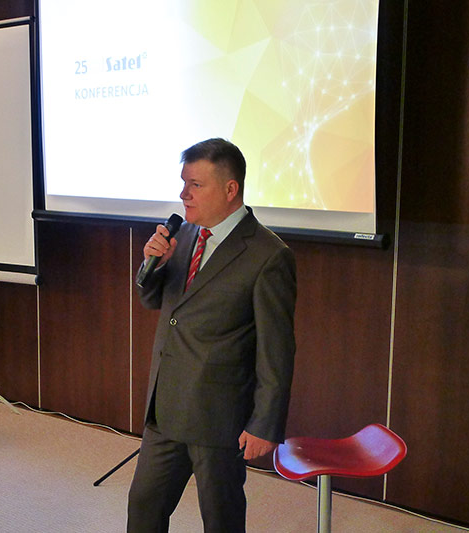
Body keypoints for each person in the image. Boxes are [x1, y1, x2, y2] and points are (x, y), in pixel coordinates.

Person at [127, 138, 297, 532]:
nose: (183, 194)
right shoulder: (185, 234)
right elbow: (156, 302)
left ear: (230, 189)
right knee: (143, 507)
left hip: (218, 416)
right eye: (183, 183)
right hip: (166, 407)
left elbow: (277, 350)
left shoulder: (269, 255)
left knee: (221, 519)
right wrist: (153, 265)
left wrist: (265, 424)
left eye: (195, 185)